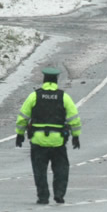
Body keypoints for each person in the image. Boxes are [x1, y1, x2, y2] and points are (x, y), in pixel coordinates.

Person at [15, 67, 82, 204]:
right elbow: (74, 118)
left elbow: (23, 117)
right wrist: (76, 136)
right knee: (61, 169)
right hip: (58, 141)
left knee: (39, 171)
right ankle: (59, 194)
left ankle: (43, 196)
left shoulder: (34, 96)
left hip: (38, 141)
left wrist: (20, 134)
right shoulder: (64, 97)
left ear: (44, 80)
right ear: (56, 81)